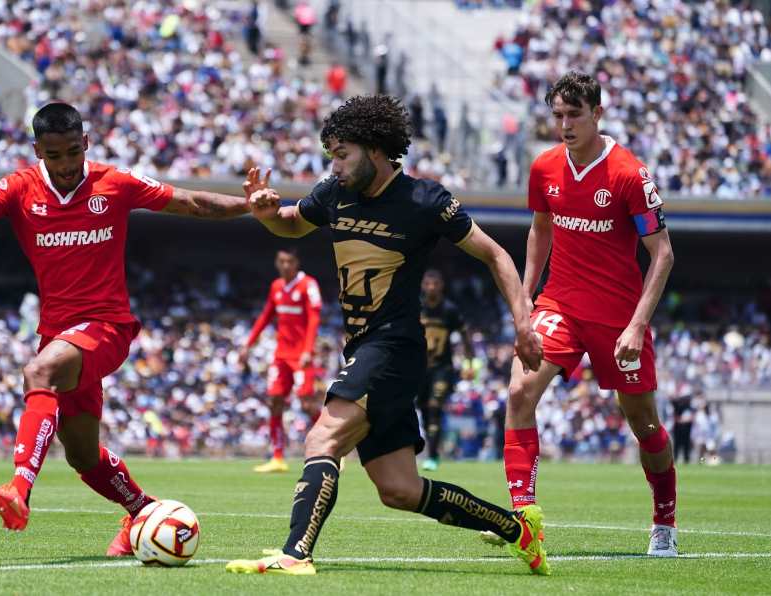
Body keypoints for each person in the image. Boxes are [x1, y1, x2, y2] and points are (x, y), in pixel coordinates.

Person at [0, 102, 258, 555]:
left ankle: (18, 491)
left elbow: (192, 202)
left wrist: (249, 205)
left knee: (38, 373)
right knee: (83, 456)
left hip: (107, 327)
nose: (67, 164)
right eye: (55, 155)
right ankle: (145, 514)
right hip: (59, 335)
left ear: (86, 143)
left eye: (73, 151)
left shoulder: (115, 183)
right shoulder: (19, 188)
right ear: (38, 151)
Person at [226, 95, 549, 577]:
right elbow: (292, 225)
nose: (333, 165)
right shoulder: (334, 193)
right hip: (363, 347)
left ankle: (295, 553)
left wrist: (523, 321)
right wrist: (267, 212)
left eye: (342, 154)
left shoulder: (425, 200)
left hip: (394, 347)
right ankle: (518, 530)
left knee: (324, 437)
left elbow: (496, 255)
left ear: (375, 150)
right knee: (399, 489)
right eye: (331, 154)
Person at [481, 71, 678, 557]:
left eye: (574, 115)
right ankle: (524, 520)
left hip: (617, 319)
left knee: (644, 424)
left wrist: (637, 324)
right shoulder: (544, 167)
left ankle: (665, 522)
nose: (565, 124)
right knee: (519, 391)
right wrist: (525, 299)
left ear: (597, 114)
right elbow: (539, 231)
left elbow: (664, 253)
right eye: (558, 115)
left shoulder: (630, 174)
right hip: (560, 306)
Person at [239, 248, 323, 473]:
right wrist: (248, 344)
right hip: (281, 355)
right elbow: (266, 316)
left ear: (297, 262)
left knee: (307, 403)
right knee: (274, 400)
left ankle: (332, 450)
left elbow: (314, 319)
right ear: (277, 263)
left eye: (290, 261)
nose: (286, 265)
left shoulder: (308, 285)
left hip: (301, 356)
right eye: (282, 261)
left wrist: (308, 350)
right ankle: (277, 457)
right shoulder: (276, 286)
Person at [417, 270, 463, 471]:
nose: (431, 288)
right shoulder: (416, 308)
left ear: (441, 286)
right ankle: (432, 451)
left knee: (435, 406)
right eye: (428, 284)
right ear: (423, 286)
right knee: (425, 410)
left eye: (435, 284)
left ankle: (433, 456)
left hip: (442, 368)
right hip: (418, 369)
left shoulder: (449, 310)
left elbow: (465, 333)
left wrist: (469, 361)